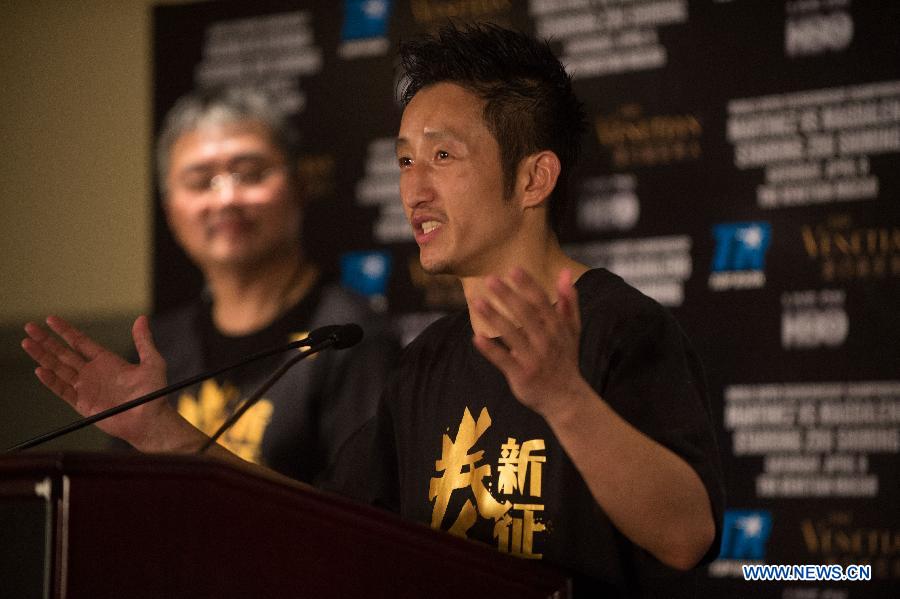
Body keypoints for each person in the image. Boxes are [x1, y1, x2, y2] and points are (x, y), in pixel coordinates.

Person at [23, 25, 724, 597]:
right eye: (403, 161)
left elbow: (686, 533)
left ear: (534, 177)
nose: (413, 188)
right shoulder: (431, 359)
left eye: (442, 155)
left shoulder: (622, 326)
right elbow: (327, 519)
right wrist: (164, 432)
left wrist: (564, 398)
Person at [32, 87, 399, 484]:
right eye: (200, 181)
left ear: (298, 187)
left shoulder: (348, 337)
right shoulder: (158, 345)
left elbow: (354, 521)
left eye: (251, 174)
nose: (226, 198)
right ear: (170, 210)